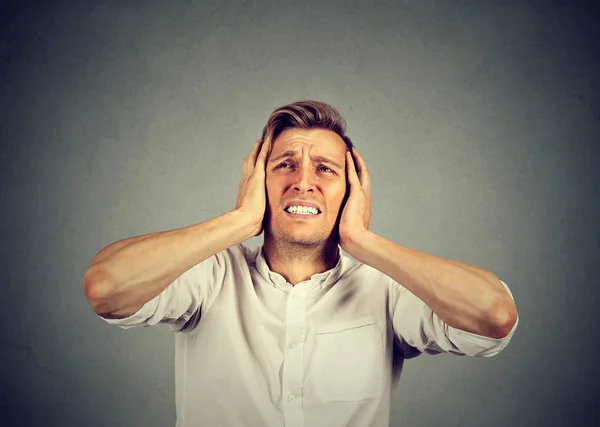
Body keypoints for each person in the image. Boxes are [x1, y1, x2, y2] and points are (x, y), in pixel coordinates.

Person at [83, 100, 519, 427]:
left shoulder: (384, 289)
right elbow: (106, 288)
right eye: (285, 165)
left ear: (351, 191)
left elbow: (493, 315)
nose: (303, 182)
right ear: (258, 182)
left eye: (326, 170)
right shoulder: (211, 276)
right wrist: (239, 220)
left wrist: (362, 241)